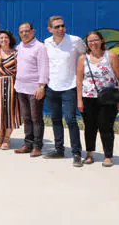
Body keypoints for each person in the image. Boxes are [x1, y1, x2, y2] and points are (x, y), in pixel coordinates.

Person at [43, 16, 85, 167]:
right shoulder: (47, 43)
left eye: (62, 26)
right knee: (55, 120)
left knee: (70, 119)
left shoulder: (75, 40)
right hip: (52, 87)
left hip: (70, 86)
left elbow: (84, 56)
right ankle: (59, 149)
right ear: (50, 29)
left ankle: (76, 153)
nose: (61, 29)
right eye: (57, 27)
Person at [76, 31, 119, 167]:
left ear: (101, 41)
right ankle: (89, 154)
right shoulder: (83, 58)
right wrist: (79, 100)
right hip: (88, 97)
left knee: (106, 127)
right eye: (90, 41)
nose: (93, 43)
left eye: (95, 40)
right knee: (90, 127)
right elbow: (79, 80)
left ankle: (108, 156)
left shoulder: (110, 56)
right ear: (87, 44)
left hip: (108, 98)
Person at [14, 22, 49, 157]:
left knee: (36, 118)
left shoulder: (40, 47)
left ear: (33, 31)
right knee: (26, 118)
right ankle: (28, 144)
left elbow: (44, 68)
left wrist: (41, 86)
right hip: (21, 88)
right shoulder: (19, 47)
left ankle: (37, 146)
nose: (24, 34)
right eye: (21, 31)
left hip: (35, 89)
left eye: (27, 31)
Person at [0, 30, 20, 150]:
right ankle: (0, 137)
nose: (3, 40)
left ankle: (7, 138)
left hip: (11, 84)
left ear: (10, 39)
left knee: (10, 112)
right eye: (1, 38)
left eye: (6, 38)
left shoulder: (16, 53)